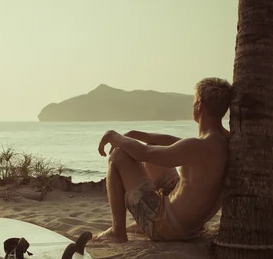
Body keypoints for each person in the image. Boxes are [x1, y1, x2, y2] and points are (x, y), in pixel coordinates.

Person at [93, 77, 232, 243]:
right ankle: (140, 224)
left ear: (199, 105)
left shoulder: (196, 146)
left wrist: (112, 136)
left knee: (118, 156)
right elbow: (172, 142)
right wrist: (137, 135)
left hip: (165, 227)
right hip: (192, 226)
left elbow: (144, 153)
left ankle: (117, 231)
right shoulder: (223, 141)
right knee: (155, 148)